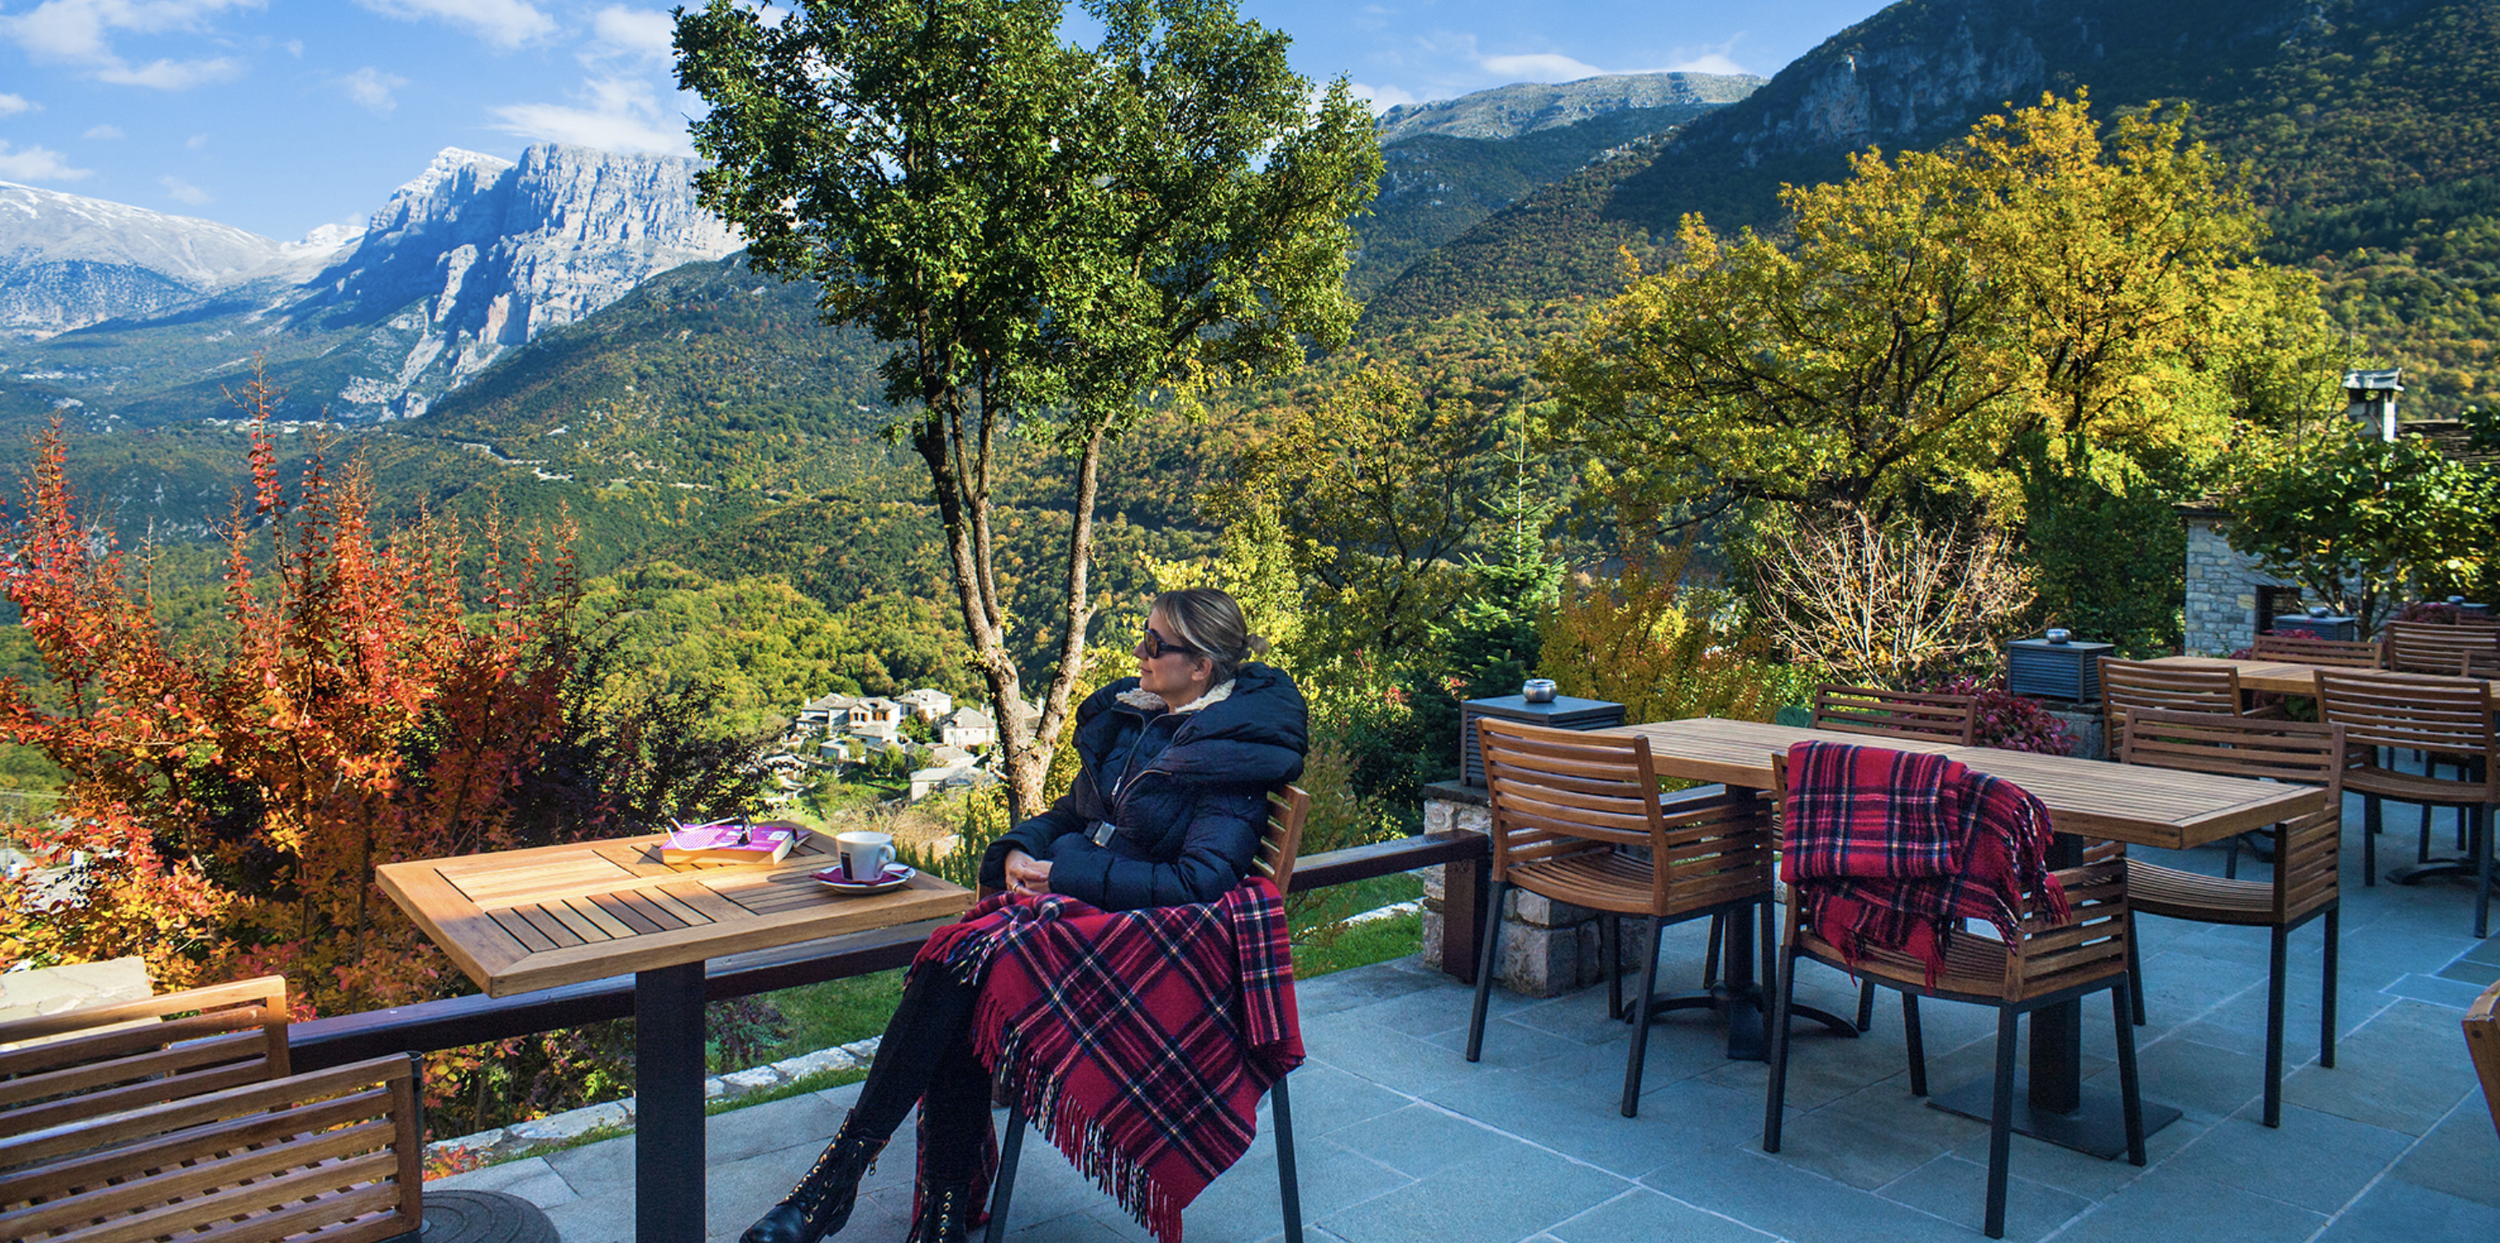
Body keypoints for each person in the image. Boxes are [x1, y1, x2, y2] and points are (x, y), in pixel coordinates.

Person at [744, 587, 1308, 1243]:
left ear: (1203, 665)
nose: (1138, 652)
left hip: (1155, 946)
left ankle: (848, 1186)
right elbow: (1073, 816)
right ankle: (920, 1210)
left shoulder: (1233, 753)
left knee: (964, 964)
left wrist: (1062, 873)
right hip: (1096, 915)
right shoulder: (1147, 719)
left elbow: (1199, 880)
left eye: (1154, 644)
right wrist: (1019, 849)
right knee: (964, 968)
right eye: (1142, 635)